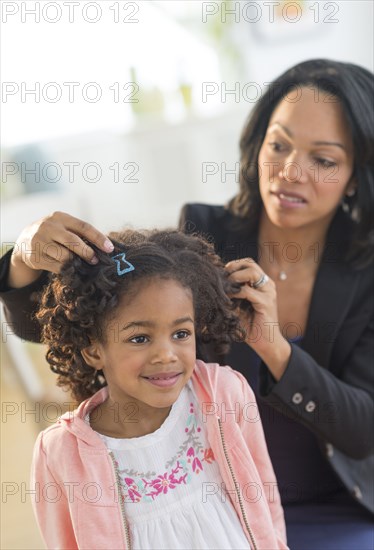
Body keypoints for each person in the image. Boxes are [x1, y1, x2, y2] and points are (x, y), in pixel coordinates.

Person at [0, 58, 373, 548]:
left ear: (354, 175)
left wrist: (274, 348)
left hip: (333, 504)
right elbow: (78, 318)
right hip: (210, 497)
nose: (289, 171)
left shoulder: (366, 273)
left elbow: (363, 431)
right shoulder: (206, 232)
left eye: (323, 159)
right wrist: (23, 261)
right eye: (278, 144)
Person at [29, 228, 287, 550]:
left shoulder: (225, 394)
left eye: (181, 333)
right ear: (94, 350)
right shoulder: (61, 452)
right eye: (140, 338)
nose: (166, 355)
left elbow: (265, 499)